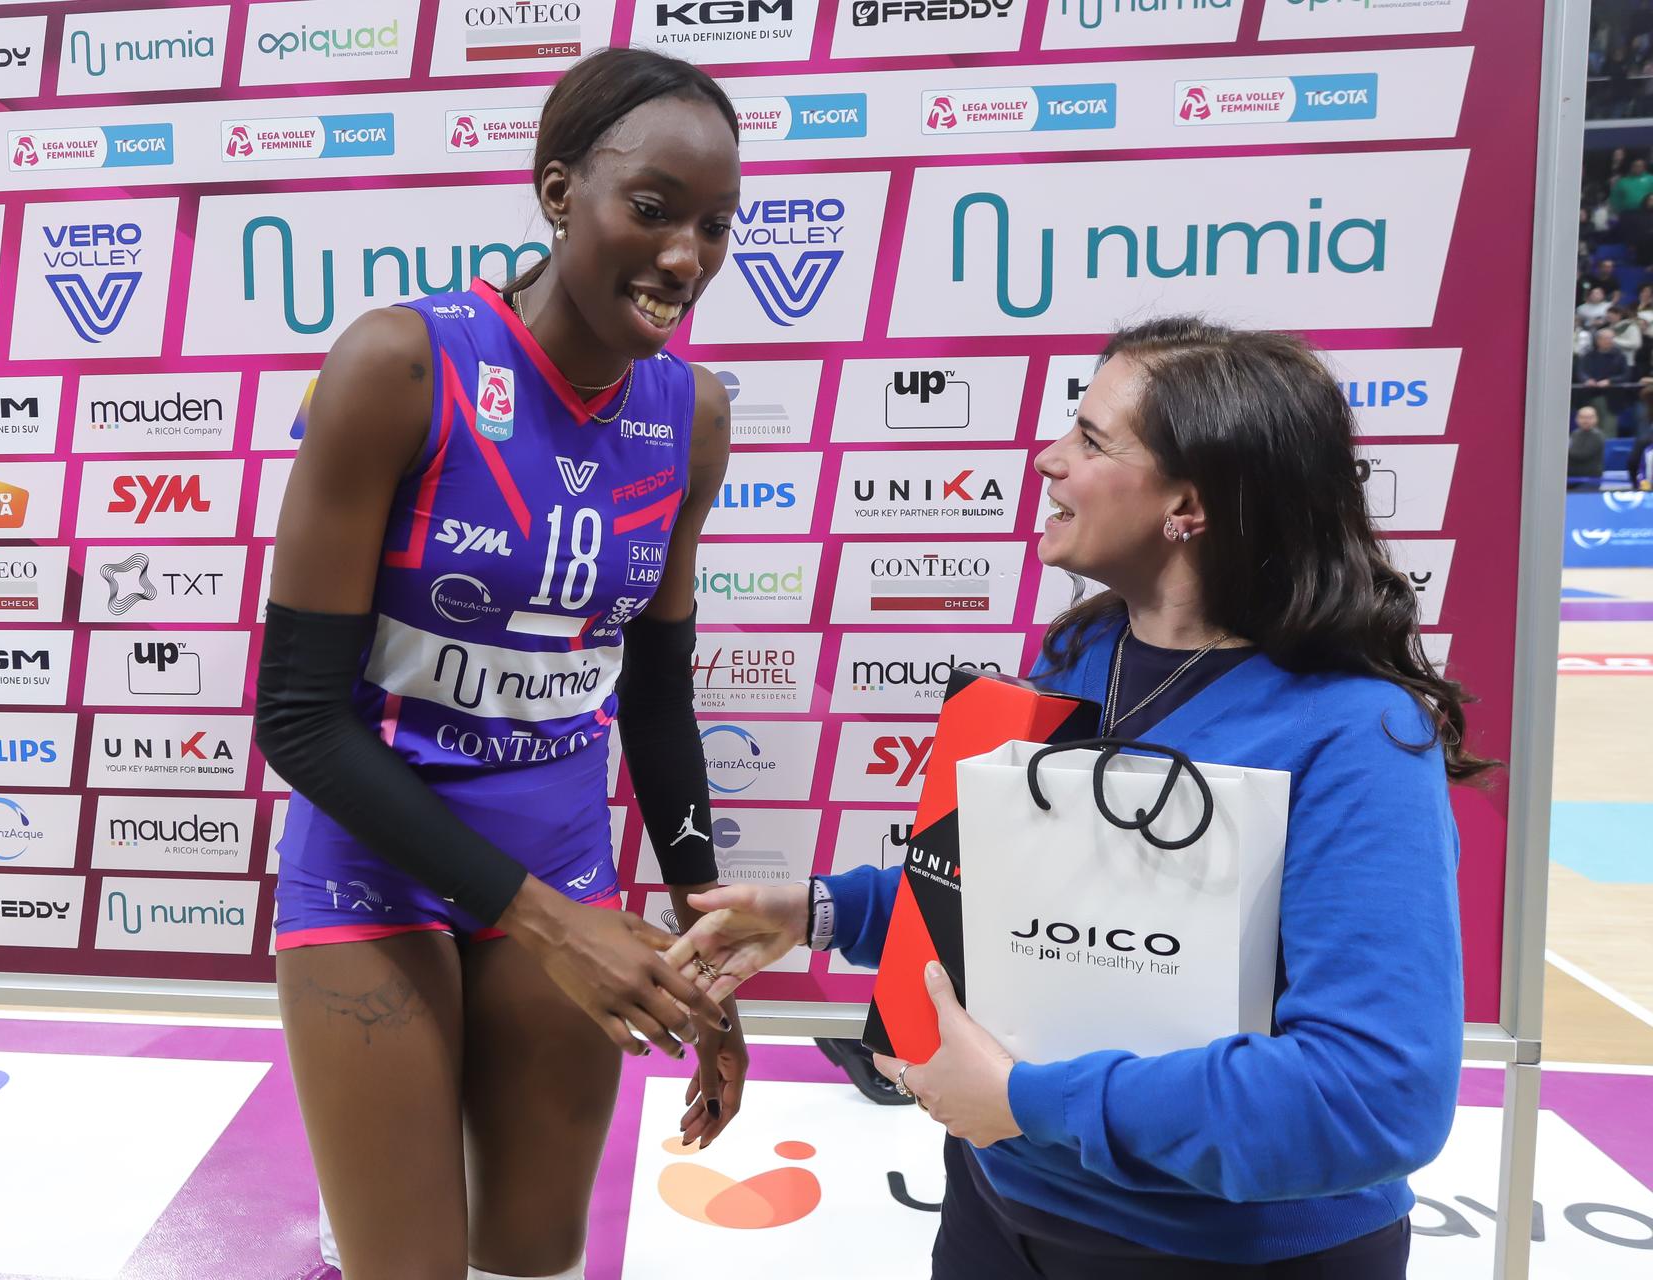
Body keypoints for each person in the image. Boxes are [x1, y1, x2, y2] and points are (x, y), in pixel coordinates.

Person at [669, 318, 1492, 1279]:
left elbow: (1372, 1098)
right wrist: (823, 912)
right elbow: (1028, 911)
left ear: (1190, 504)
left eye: (1093, 440)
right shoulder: (1082, 652)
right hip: (996, 1212)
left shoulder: (1358, 735)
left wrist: (1031, 1103)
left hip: (1226, 1258)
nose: (1047, 457)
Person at [253, 48, 748, 1280]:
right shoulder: (399, 363)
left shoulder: (692, 415)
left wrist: (707, 942)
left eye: (713, 225)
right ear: (557, 190)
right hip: (376, 865)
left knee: (533, 1257)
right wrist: (550, 924)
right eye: (652, 208)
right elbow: (299, 718)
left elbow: (655, 694)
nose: (684, 256)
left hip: (560, 858)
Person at [1570, 404, 1609, 482]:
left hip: (1590, 479)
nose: (1585, 421)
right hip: (1572, 478)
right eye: (1582, 417)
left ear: (1596, 419)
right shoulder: (1575, 433)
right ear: (1576, 419)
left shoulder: (1597, 435)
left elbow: (1581, 455)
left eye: (1589, 418)